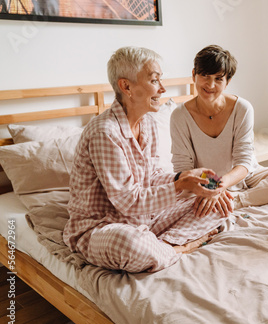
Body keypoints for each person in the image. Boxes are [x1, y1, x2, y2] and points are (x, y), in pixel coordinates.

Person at [63, 47, 225, 273]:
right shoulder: (105, 132)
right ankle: (178, 248)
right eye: (154, 80)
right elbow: (127, 200)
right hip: (103, 227)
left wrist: (185, 177)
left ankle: (161, 248)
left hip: (145, 220)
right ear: (126, 86)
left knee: (219, 203)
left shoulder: (147, 123)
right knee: (131, 244)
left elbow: (153, 176)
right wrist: (180, 186)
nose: (162, 88)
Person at [170, 45, 268, 218]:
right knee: (183, 199)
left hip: (244, 176)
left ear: (227, 82)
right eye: (204, 76)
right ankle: (225, 197)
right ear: (194, 75)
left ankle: (235, 201)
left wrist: (222, 185)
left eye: (218, 79)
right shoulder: (179, 116)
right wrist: (212, 187)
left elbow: (244, 161)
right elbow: (184, 168)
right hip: (204, 182)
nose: (210, 84)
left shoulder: (242, 108)